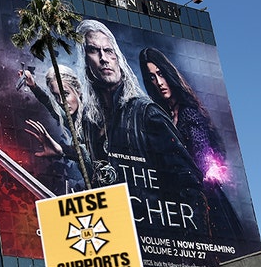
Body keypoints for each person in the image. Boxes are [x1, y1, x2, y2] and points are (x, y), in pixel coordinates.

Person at [75, 20, 208, 241]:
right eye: (93, 50)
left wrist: (187, 250)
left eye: (108, 50)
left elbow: (191, 187)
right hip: (115, 242)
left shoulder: (146, 113)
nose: (104, 58)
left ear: (117, 56)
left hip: (159, 244)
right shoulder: (89, 124)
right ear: (84, 59)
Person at [138, 47, 243, 240]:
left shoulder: (189, 113)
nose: (159, 82)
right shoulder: (162, 116)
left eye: (161, 74)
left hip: (206, 202)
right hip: (182, 203)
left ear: (169, 73)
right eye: (152, 77)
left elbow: (203, 162)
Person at [19, 65, 87, 194]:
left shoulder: (91, 118)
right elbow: (51, 106)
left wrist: (62, 150)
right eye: (56, 96)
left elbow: (93, 153)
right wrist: (33, 86)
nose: (61, 101)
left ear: (78, 90)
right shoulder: (72, 118)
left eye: (65, 94)